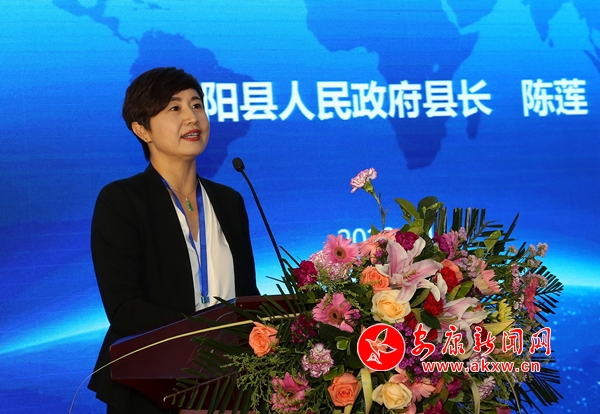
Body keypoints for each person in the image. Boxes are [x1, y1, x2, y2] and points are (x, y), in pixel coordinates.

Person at [88, 67, 260, 414]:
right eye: (174, 108)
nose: (192, 117)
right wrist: (210, 335)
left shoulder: (229, 201)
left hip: (232, 386)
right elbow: (125, 309)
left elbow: (247, 294)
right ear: (142, 129)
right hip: (153, 385)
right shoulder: (122, 201)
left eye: (197, 105)